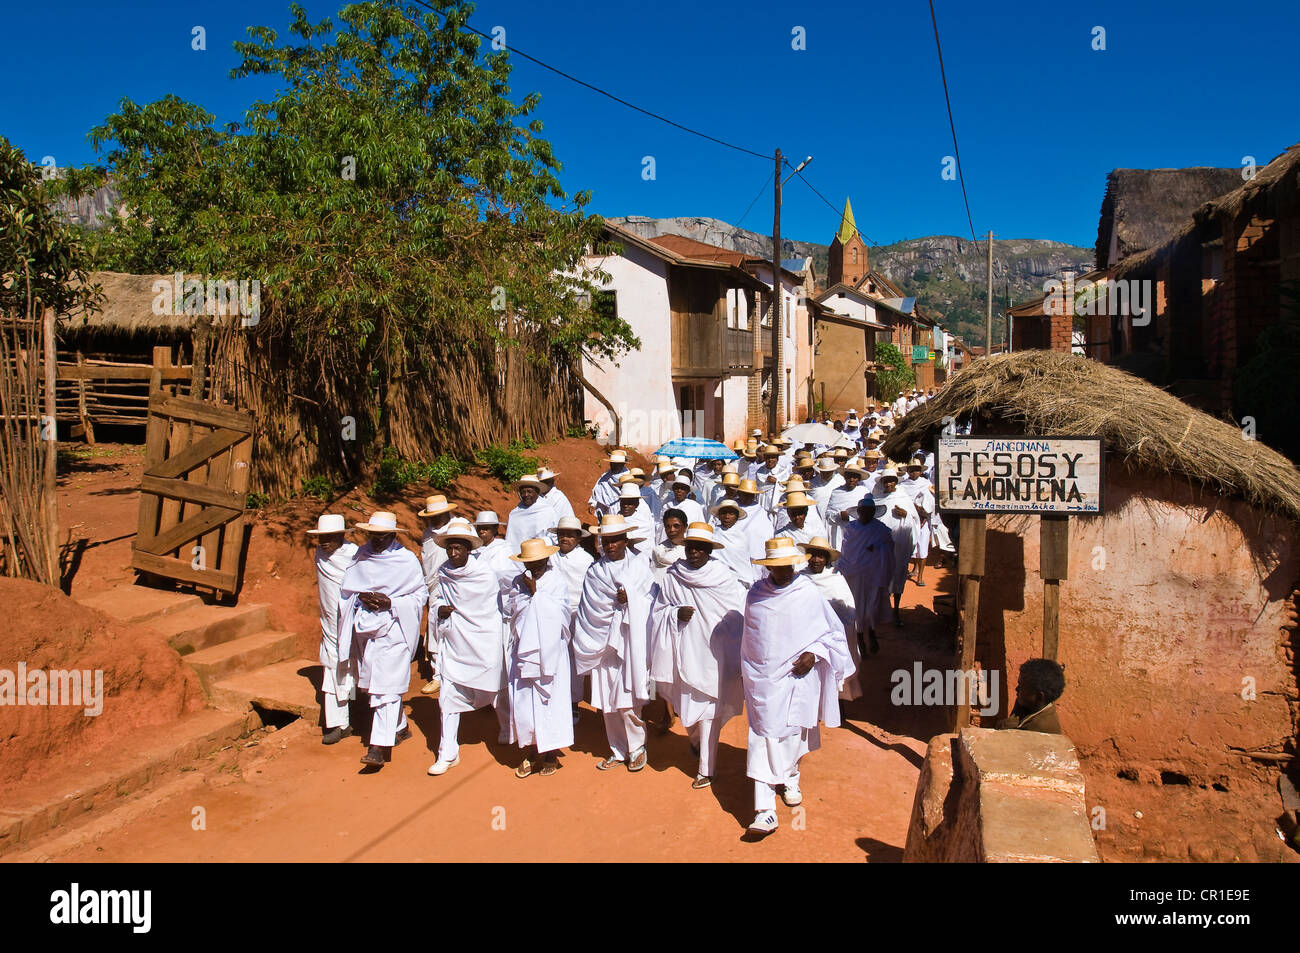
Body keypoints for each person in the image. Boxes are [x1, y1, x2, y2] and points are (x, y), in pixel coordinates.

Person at [741, 538, 853, 836]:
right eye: (775, 567)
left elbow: (831, 633)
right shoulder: (755, 595)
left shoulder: (807, 593)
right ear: (768, 568)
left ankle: (790, 775)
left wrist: (814, 654)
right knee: (763, 735)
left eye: (786, 565)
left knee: (792, 733)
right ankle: (765, 811)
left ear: (793, 563)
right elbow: (751, 639)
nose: (782, 571)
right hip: (763, 680)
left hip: (798, 677)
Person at [648, 522, 746, 788]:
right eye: (690, 547)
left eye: (700, 548)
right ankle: (695, 741)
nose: (694, 553)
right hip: (682, 653)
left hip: (714, 655)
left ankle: (706, 768)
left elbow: (737, 614)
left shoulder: (723, 577)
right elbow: (658, 612)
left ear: (709, 550)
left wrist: (725, 634)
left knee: (709, 712)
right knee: (686, 707)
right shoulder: (672, 576)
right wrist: (674, 614)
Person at [338, 512, 426, 768]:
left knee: (385, 687)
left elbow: (420, 595)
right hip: (368, 629)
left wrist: (392, 603)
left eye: (382, 536)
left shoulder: (406, 560)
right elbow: (347, 591)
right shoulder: (361, 557)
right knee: (376, 683)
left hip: (396, 628)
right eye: (372, 535)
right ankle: (400, 727)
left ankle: (378, 747)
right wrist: (360, 599)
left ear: (392, 535)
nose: (376, 541)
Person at [572, 514, 654, 772]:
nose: (609, 546)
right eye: (605, 540)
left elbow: (651, 602)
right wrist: (615, 606)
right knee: (608, 700)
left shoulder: (639, 567)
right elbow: (589, 609)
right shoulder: (595, 572)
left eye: (615, 540)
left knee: (627, 696)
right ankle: (617, 749)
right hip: (602, 642)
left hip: (630, 640)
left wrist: (629, 600)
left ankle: (637, 746)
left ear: (625, 540)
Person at [428, 519, 509, 776]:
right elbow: (437, 598)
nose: (453, 554)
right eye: (450, 548)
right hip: (456, 642)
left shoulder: (484, 574)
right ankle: (448, 752)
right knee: (447, 697)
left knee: (498, 689)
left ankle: (507, 728)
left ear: (468, 549)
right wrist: (439, 609)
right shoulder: (443, 572)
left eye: (458, 549)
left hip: (485, 640)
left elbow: (492, 608)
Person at [505, 537, 574, 777]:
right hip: (524, 652)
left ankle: (551, 752)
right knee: (524, 703)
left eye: (538, 561)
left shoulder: (555, 581)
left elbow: (563, 615)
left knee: (551, 701)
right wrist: (528, 596)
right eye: (529, 562)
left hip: (551, 653)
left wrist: (537, 595)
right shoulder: (517, 582)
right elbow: (513, 611)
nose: (534, 566)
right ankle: (531, 749)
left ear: (546, 558)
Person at [308, 514, 359, 744]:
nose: (324, 542)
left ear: (341, 536)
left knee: (350, 667)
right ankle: (339, 723)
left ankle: (353, 712)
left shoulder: (354, 555)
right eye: (321, 538)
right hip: (329, 624)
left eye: (329, 537)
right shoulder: (320, 555)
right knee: (331, 668)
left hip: (352, 622)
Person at [797, 536, 862, 700]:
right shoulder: (799, 579)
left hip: (832, 637)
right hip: (807, 636)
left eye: (820, 556)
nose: (816, 560)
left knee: (833, 674)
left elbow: (848, 613)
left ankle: (838, 702)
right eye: (812, 555)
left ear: (826, 559)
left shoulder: (836, 580)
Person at [548, 516, 595, 717]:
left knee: (574, 657)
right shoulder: (550, 557)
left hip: (577, 613)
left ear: (577, 538)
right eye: (561, 535)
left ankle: (574, 701)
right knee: (554, 656)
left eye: (569, 535)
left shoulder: (586, 560)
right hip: (553, 613)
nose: (564, 538)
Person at [835, 499, 894, 657]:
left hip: (873, 574)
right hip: (853, 574)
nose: (866, 513)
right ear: (859, 512)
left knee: (871, 607)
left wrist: (877, 548)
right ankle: (860, 639)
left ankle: (871, 632)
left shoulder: (881, 530)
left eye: (869, 510)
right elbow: (846, 551)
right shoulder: (851, 529)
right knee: (857, 606)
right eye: (863, 511)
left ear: (873, 512)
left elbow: (889, 549)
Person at [417, 495, 458, 696]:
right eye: (430, 516)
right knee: (434, 629)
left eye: (437, 515)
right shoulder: (427, 534)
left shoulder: (458, 526)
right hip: (433, 588)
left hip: (455, 583)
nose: (433, 519)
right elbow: (427, 563)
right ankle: (437, 675)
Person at [873, 469, 920, 627]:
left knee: (898, 575)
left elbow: (914, 519)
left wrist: (906, 514)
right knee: (881, 576)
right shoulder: (876, 499)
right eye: (886, 481)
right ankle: (883, 611)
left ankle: (897, 611)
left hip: (899, 544)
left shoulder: (903, 497)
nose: (889, 484)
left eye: (892, 480)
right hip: (881, 545)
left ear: (896, 481)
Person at [999, 659, 1065, 733]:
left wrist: (1004, 727)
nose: (1017, 689)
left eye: (1022, 686)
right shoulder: (1031, 704)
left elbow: (1004, 732)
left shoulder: (1038, 728)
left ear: (1039, 697)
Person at [901, 460, 935, 587]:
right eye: (911, 470)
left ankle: (920, 576)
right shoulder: (903, 485)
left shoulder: (927, 484)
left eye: (917, 469)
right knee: (909, 546)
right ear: (908, 471)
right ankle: (910, 569)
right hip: (908, 519)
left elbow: (931, 502)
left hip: (923, 520)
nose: (914, 472)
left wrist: (924, 514)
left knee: (923, 546)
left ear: (921, 471)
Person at [708, 498, 756, 587]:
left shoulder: (742, 537)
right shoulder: (712, 533)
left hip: (739, 581)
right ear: (719, 516)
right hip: (716, 579)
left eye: (731, 513)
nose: (727, 517)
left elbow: (743, 562)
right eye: (724, 513)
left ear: (737, 517)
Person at [825, 459, 868, 549]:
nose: (851, 480)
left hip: (858, 534)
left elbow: (869, 515)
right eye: (849, 477)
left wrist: (851, 517)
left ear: (859, 479)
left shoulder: (864, 492)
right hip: (839, 534)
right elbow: (828, 514)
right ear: (845, 477)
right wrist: (839, 515)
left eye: (855, 477)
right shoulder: (836, 492)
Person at [506, 474, 553, 554]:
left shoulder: (547, 511)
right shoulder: (514, 513)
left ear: (537, 492)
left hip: (539, 557)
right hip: (515, 559)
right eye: (523, 492)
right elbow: (510, 540)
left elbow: (553, 537)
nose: (526, 495)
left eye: (529, 491)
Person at [589, 449, 629, 517]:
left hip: (620, 509)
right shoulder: (606, 475)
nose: (614, 466)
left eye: (617, 464)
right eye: (612, 463)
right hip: (605, 510)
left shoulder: (627, 477)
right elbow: (598, 488)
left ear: (623, 464)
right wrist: (593, 503)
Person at [651, 507, 687, 583]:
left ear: (685, 527)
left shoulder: (691, 550)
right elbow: (653, 574)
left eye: (676, 526)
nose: (672, 530)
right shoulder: (658, 549)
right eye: (668, 526)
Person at [809, 457, 843, 521]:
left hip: (835, 518)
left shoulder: (841, 481)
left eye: (828, 472)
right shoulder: (812, 483)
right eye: (823, 472)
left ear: (833, 471)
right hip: (817, 517)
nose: (826, 474)